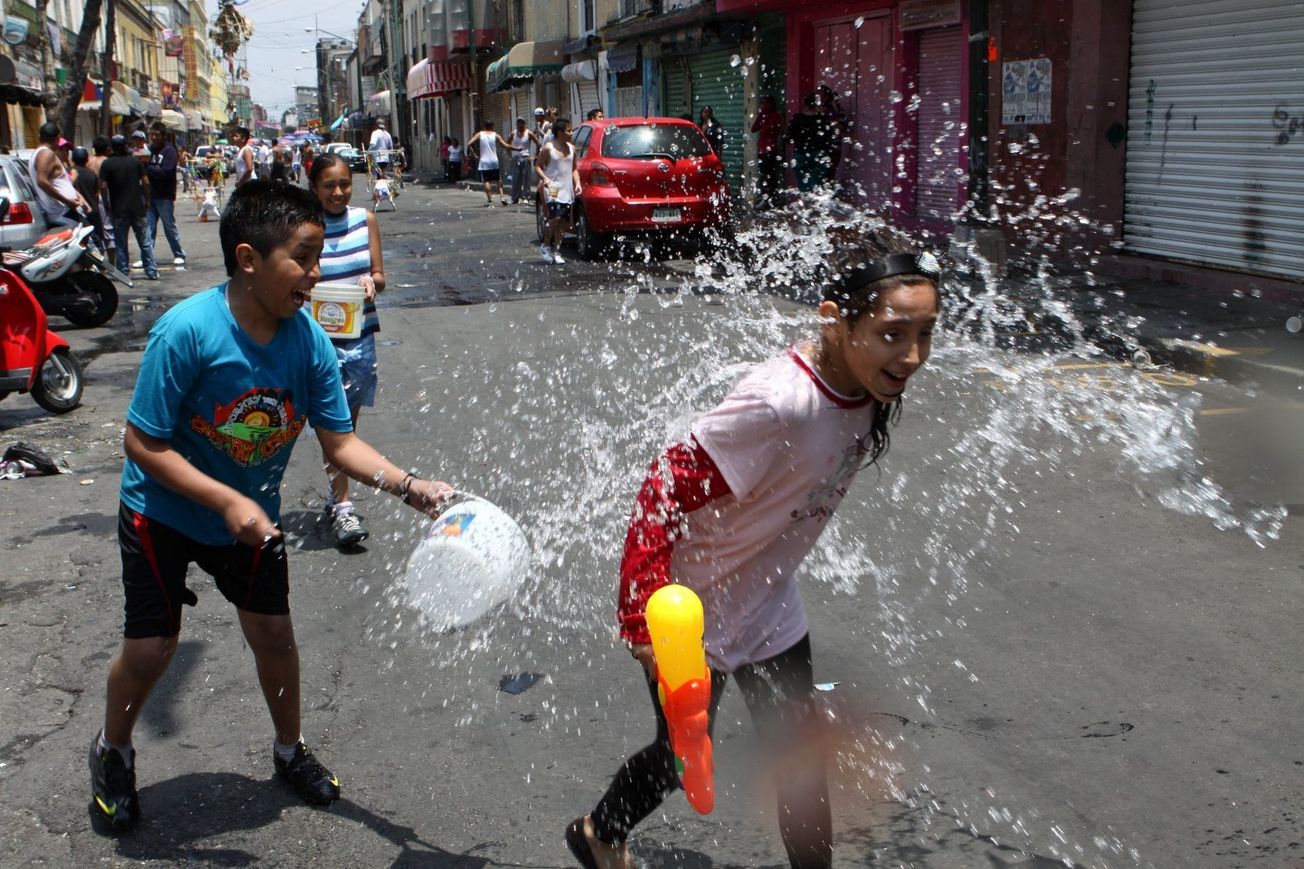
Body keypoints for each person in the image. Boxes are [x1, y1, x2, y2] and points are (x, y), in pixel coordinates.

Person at [565, 227, 942, 869]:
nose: (911, 356)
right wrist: (640, 620)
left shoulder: (866, 387)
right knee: (681, 759)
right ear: (835, 321)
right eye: (892, 334)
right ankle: (598, 832)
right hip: (690, 612)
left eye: (925, 334)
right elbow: (661, 492)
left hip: (769, 605)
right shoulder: (777, 404)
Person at [87, 180, 454, 832]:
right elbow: (141, 442)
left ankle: (289, 750)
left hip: (249, 519)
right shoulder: (187, 332)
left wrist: (409, 485)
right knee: (152, 648)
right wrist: (225, 499)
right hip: (162, 512)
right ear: (249, 259)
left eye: (319, 258)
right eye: (303, 258)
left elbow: (340, 443)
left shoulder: (308, 340)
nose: (315, 274)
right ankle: (112, 750)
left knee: (275, 638)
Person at [306, 153, 388, 545]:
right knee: (333, 423)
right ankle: (343, 507)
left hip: (359, 339)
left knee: (346, 428)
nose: (338, 192)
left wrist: (372, 283)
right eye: (329, 185)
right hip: (317, 341)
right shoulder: (304, 225)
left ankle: (335, 495)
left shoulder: (365, 219)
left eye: (344, 184)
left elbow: (379, 275)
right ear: (314, 187)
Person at [99, 135, 159, 281]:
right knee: (145, 241)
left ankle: (123, 271)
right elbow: (146, 182)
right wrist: (147, 200)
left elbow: (103, 186)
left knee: (121, 242)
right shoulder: (135, 162)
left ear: (112, 148)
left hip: (119, 209)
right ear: (126, 146)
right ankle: (151, 271)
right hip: (137, 207)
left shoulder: (107, 164)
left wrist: (106, 203)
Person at [534, 118, 581, 264]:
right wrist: (545, 179)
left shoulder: (572, 149)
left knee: (564, 222)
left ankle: (556, 250)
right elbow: (537, 166)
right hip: (553, 187)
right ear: (560, 133)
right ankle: (546, 245)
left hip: (567, 189)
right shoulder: (548, 148)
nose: (572, 133)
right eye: (569, 130)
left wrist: (578, 183)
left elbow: (574, 168)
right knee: (555, 217)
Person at [27, 122, 88, 228]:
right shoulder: (46, 154)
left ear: (40, 138)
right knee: (91, 236)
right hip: (62, 213)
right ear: (58, 138)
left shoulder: (38, 153)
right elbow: (42, 181)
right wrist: (67, 201)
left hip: (65, 211)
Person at [145, 122, 187, 268]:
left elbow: (166, 172)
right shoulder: (149, 150)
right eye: (152, 135)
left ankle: (179, 254)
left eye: (156, 135)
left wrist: (148, 167)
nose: (153, 138)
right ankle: (147, 257)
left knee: (169, 226)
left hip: (164, 195)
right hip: (150, 195)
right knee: (148, 228)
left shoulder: (169, 151)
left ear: (163, 136)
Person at [786, 94, 838, 193]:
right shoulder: (823, 119)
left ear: (804, 104)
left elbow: (788, 138)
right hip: (819, 155)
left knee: (804, 189)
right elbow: (830, 136)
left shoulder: (797, 118)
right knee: (817, 187)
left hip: (801, 154)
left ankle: (806, 200)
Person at [469, 119, 522, 207]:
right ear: (492, 127)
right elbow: (506, 145)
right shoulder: (495, 135)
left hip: (484, 161)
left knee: (486, 181)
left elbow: (469, 144)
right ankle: (502, 197)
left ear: (484, 127)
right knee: (498, 179)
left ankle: (490, 200)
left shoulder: (480, 134)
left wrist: (474, 155)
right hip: (494, 160)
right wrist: (517, 149)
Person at [752, 95, 788, 209]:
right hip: (762, 150)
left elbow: (770, 130)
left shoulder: (775, 115)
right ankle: (767, 198)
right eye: (762, 103)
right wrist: (761, 116)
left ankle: (770, 199)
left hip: (771, 150)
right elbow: (753, 128)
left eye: (766, 103)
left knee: (769, 176)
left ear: (772, 103)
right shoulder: (763, 115)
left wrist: (764, 120)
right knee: (765, 175)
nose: (764, 105)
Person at [69, 147, 106, 255]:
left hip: (79, 213)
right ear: (86, 159)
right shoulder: (92, 173)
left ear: (73, 159)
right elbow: (96, 193)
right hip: (94, 211)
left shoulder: (71, 174)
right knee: (98, 241)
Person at [88, 136, 116, 268]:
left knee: (96, 232)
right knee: (108, 232)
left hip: (90, 199)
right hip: (104, 198)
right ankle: (111, 264)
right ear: (107, 148)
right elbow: (106, 185)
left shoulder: (88, 161)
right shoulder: (107, 162)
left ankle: (98, 261)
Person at [508, 119, 539, 205]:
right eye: (518, 123)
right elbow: (507, 144)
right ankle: (515, 198)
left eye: (521, 123)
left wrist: (535, 156)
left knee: (526, 179)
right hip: (516, 158)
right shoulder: (513, 133)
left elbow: (538, 143)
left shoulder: (529, 133)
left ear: (525, 124)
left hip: (526, 158)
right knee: (515, 179)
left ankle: (526, 197)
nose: (520, 125)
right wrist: (510, 156)